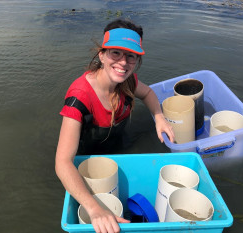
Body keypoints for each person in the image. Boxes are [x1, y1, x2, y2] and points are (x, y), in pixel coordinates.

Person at [55, 19, 175, 233]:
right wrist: (94, 208)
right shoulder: (80, 97)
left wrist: (159, 117)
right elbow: (63, 162)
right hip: (89, 161)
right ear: (101, 55)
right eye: (116, 53)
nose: (123, 62)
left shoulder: (127, 82)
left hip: (119, 145)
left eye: (131, 56)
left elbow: (147, 93)